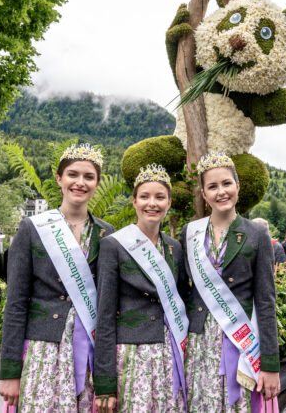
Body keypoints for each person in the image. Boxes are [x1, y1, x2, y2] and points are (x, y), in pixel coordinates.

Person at [0, 144, 115, 411]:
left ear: (96, 183)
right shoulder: (32, 229)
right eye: (73, 174)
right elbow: (16, 303)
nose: (80, 182)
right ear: (59, 179)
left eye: (89, 177)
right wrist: (9, 371)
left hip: (88, 352)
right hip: (43, 350)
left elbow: (109, 308)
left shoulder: (107, 234)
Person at [180, 152, 280, 412]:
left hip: (241, 342)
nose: (220, 191)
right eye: (212, 186)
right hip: (200, 342)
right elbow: (181, 291)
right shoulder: (190, 233)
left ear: (238, 186)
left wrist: (270, 365)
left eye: (226, 183)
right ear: (203, 194)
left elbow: (267, 301)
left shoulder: (257, 234)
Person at [94, 164, 189, 412]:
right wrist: (105, 384)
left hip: (169, 353)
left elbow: (180, 301)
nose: (152, 204)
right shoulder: (114, 245)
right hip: (131, 354)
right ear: (134, 201)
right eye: (145, 196)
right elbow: (104, 315)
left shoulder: (174, 248)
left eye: (160, 197)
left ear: (168, 203)